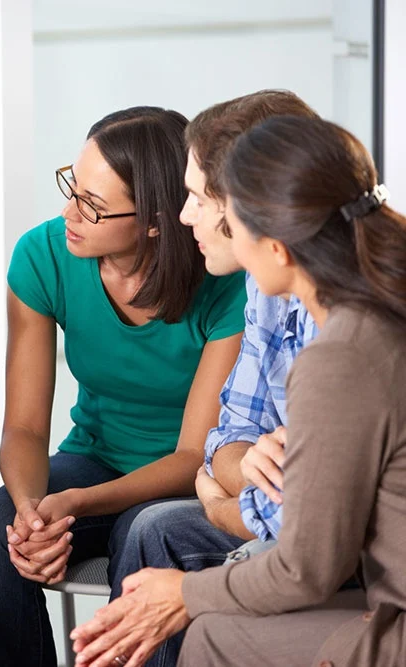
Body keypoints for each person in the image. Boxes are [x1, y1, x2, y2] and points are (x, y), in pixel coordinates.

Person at [71, 115, 406, 667]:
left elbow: (307, 565)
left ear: (276, 246)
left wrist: (184, 591)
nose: (194, 220)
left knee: (211, 634)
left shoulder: (341, 358)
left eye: (229, 217)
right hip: (374, 592)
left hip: (387, 613)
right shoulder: (373, 314)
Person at [0, 106, 246, 667]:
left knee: (145, 538)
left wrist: (77, 503)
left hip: (186, 479)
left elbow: (193, 455)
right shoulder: (43, 255)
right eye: (72, 186)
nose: (69, 212)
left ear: (155, 222)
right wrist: (31, 513)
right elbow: (24, 427)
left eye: (92, 204)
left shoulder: (223, 279)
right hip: (94, 458)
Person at [107, 90, 320, 666]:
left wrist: (217, 499)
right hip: (286, 515)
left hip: (345, 547)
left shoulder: (343, 321)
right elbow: (230, 434)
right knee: (156, 530)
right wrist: (243, 468)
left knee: (181, 562)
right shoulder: (264, 284)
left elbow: (300, 521)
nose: (183, 216)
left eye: (198, 198)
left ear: (250, 203)